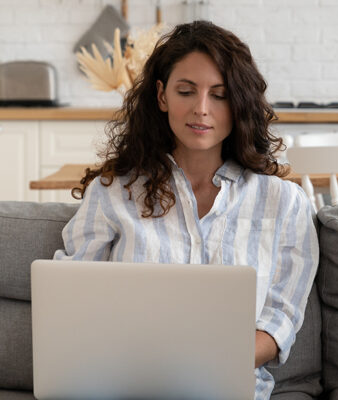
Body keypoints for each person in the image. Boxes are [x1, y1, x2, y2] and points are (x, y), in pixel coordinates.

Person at [54, 21, 319, 400]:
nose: (201, 109)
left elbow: (279, 324)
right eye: (186, 91)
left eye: (220, 94)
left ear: (239, 101)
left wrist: (200, 361)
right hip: (122, 382)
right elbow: (68, 297)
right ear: (161, 96)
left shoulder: (285, 204)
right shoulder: (113, 193)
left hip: (225, 387)